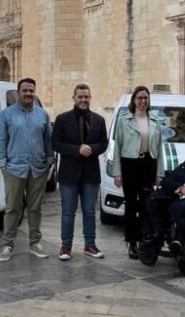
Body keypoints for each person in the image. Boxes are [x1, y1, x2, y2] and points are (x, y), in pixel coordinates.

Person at [0, 77, 53, 262]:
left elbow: (48, 139)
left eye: (31, 91)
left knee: (35, 208)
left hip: (37, 168)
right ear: (18, 93)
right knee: (12, 208)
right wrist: (2, 163)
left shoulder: (42, 115)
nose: (28, 94)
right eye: (25, 90)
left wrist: (49, 159)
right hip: (14, 168)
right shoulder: (7, 115)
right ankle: (7, 245)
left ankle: (35, 243)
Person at [52, 83, 109, 261]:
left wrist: (91, 148)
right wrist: (77, 149)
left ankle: (90, 245)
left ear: (90, 98)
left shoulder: (99, 120)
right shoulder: (62, 119)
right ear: (74, 98)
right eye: (80, 97)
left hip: (90, 174)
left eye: (86, 97)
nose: (84, 100)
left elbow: (104, 143)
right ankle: (66, 246)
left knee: (90, 211)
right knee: (68, 211)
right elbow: (56, 144)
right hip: (69, 174)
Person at [109, 85, 165, 260]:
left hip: (148, 164)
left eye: (145, 98)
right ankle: (132, 241)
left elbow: (159, 148)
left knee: (146, 205)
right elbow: (117, 147)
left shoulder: (154, 120)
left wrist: (159, 173)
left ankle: (144, 238)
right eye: (139, 98)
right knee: (131, 206)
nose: (143, 101)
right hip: (130, 164)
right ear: (134, 100)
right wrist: (117, 173)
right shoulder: (125, 120)